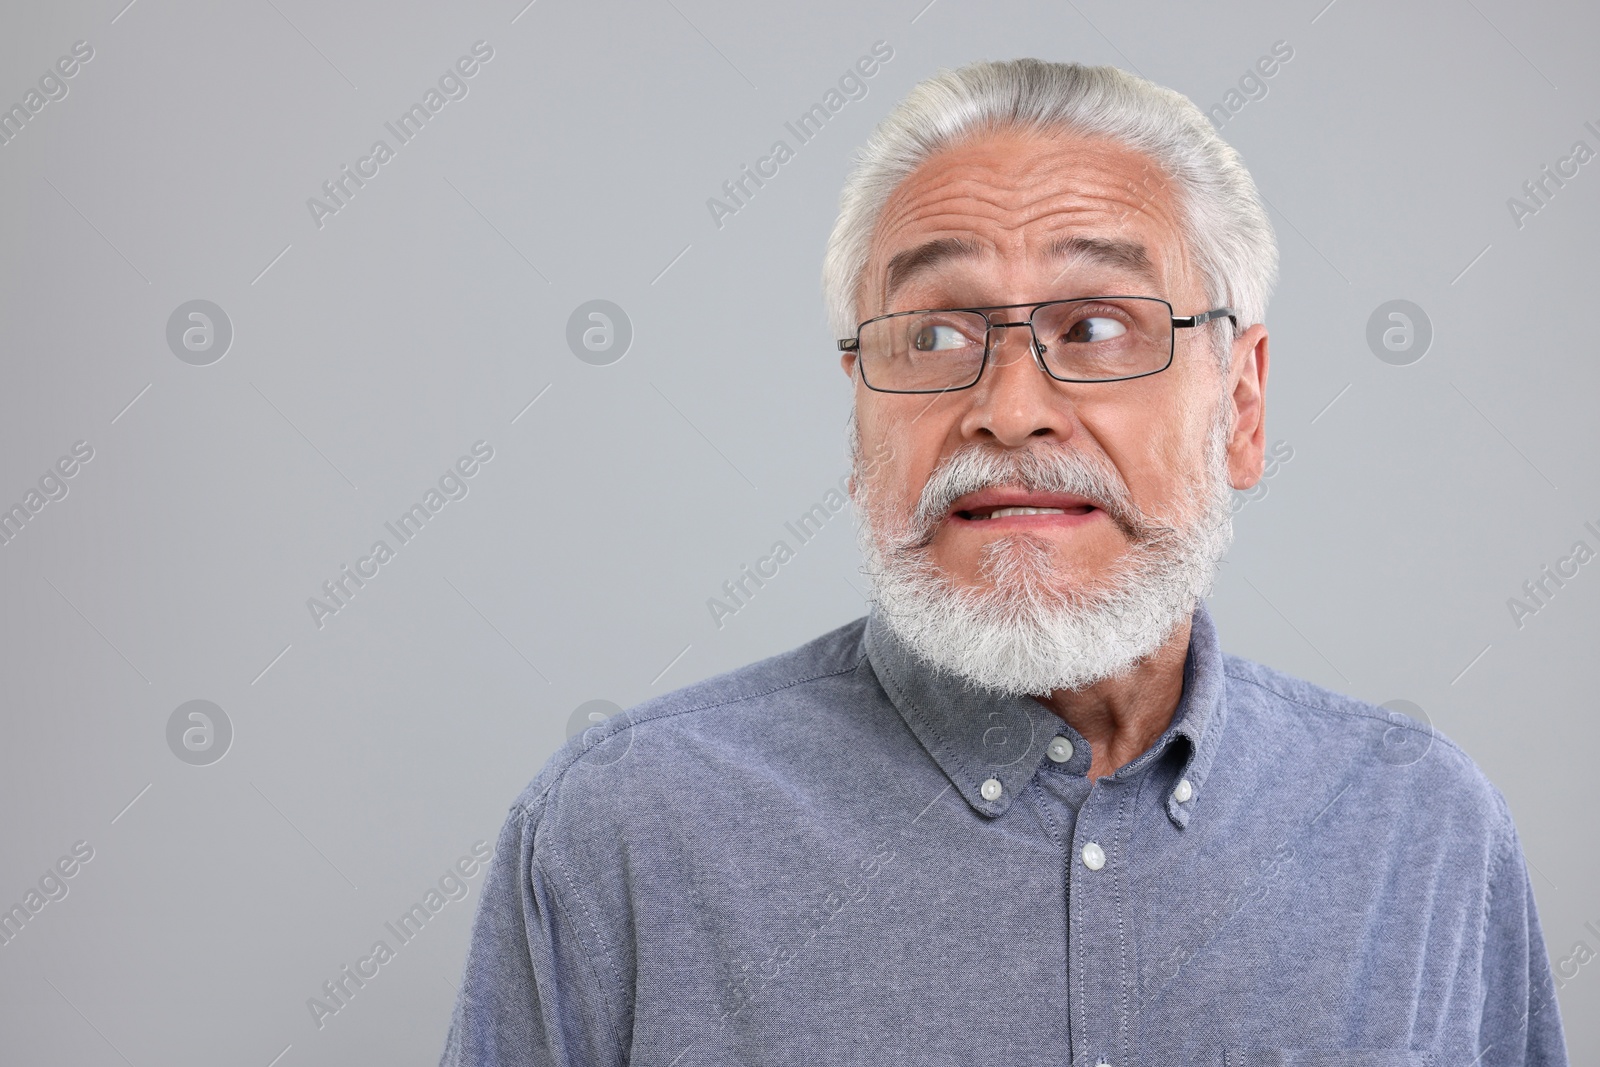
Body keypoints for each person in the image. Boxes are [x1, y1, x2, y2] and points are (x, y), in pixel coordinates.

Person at [439, 58, 1567, 1066]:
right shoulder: (627, 834)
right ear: (858, 420)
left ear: (1241, 404)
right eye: (933, 335)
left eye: (1096, 328)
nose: (1010, 409)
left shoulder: (1424, 835)